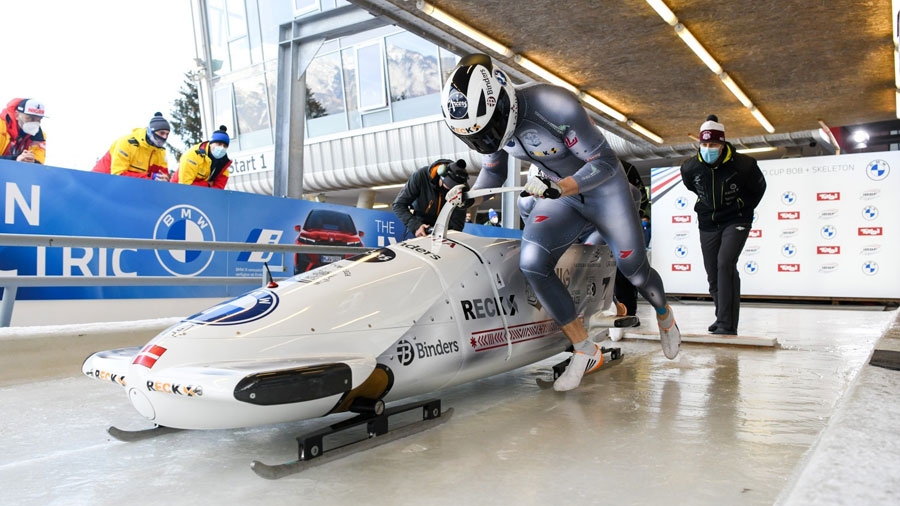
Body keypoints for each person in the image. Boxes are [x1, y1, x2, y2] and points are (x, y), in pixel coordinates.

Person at [441, 53, 681, 391]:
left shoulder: (553, 105)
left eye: (490, 132)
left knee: (634, 269)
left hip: (602, 190)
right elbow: (494, 169)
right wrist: (471, 196)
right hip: (557, 194)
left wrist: (562, 186)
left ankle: (664, 314)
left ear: (503, 100)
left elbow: (605, 163)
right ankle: (584, 349)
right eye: (477, 138)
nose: (487, 142)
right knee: (532, 262)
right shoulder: (491, 126)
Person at [680, 115, 766, 336]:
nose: (709, 148)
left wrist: (739, 205)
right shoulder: (690, 168)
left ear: (723, 144)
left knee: (725, 263)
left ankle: (727, 324)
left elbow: (758, 189)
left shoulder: (745, 165)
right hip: (708, 222)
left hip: (737, 219)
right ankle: (722, 317)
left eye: (714, 144)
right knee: (713, 273)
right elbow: (693, 187)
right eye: (705, 144)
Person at [392, 159, 469, 238]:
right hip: (419, 228)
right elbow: (398, 205)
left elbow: (457, 221)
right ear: (441, 174)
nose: (449, 190)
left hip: (443, 234)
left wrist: (449, 235)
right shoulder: (421, 176)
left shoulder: (461, 190)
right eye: (448, 186)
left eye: (453, 188)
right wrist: (416, 226)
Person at [92, 112, 171, 180]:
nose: (165, 137)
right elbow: (118, 174)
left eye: (167, 134)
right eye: (161, 133)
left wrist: (163, 178)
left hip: (131, 186)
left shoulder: (161, 152)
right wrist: (150, 177)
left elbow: (163, 175)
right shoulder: (126, 143)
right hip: (100, 180)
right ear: (151, 131)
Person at [0, 98, 47, 164]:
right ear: (17, 115)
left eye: (39, 120)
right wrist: (15, 160)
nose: (34, 123)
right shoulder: (1, 127)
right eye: (30, 118)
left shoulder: (39, 137)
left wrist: (32, 161)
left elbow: (39, 163)